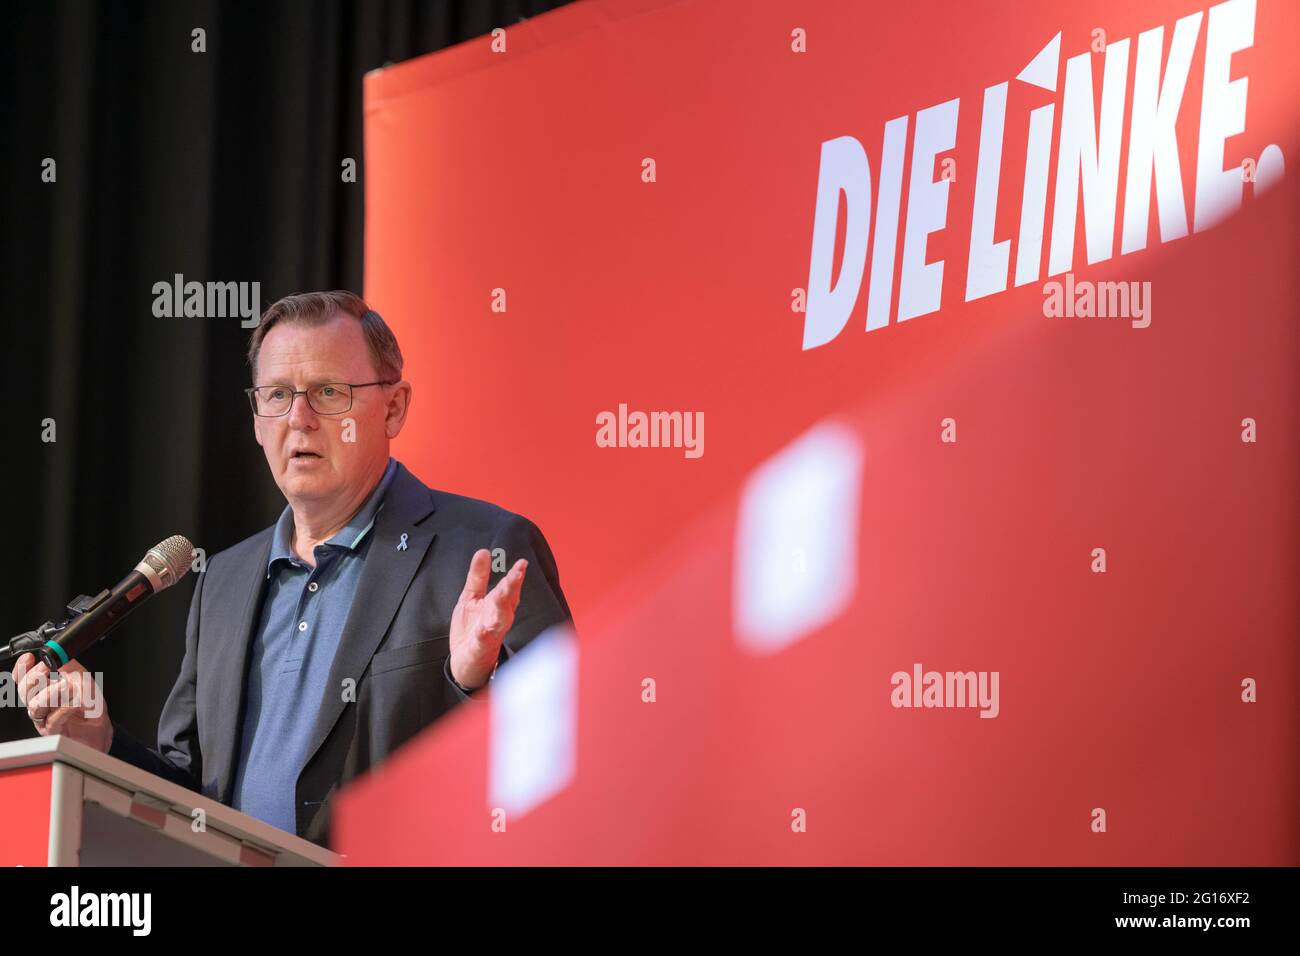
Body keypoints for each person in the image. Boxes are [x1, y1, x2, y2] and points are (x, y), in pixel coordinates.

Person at [10, 290, 572, 846]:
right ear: (257, 419)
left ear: (394, 408)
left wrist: (475, 683)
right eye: (278, 395)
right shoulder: (223, 583)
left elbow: (558, 770)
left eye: (329, 392)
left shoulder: (482, 551)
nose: (299, 419)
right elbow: (192, 803)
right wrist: (101, 740)